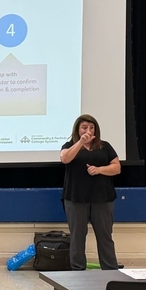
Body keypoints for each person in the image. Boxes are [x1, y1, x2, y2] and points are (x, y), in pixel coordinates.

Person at [59, 114, 121, 270]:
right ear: (77, 130)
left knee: (105, 236)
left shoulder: (104, 146)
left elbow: (116, 167)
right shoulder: (70, 145)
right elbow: (65, 159)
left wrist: (100, 169)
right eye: (84, 127)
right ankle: (78, 270)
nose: (88, 130)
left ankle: (110, 269)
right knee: (77, 237)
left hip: (102, 199)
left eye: (91, 127)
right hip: (76, 198)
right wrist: (80, 142)